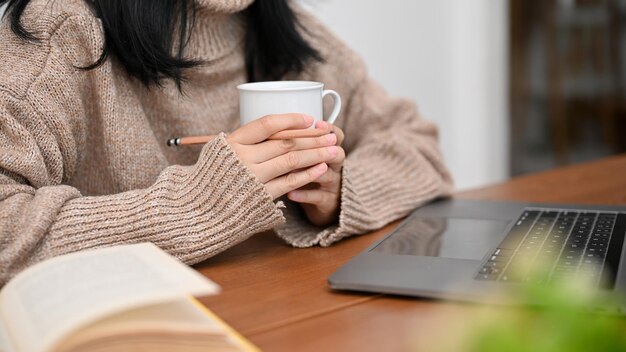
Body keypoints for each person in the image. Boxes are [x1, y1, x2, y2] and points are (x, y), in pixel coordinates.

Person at [0, 0, 453, 285]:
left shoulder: (292, 33)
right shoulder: (60, 30)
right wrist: (196, 207)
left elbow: (420, 148)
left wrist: (336, 193)